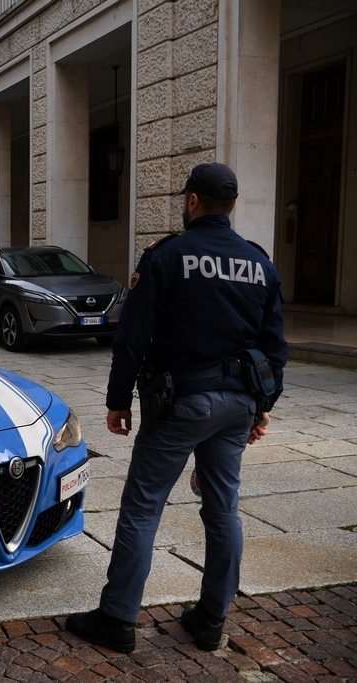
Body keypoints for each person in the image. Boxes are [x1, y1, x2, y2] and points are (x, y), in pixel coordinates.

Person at [65, 163, 287, 653]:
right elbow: (275, 347)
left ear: (192, 202)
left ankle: (117, 619)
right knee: (223, 508)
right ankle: (211, 619)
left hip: (181, 403)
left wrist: (117, 401)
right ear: (231, 206)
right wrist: (262, 407)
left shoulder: (168, 255)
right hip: (237, 405)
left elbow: (132, 336)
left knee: (143, 508)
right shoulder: (258, 263)